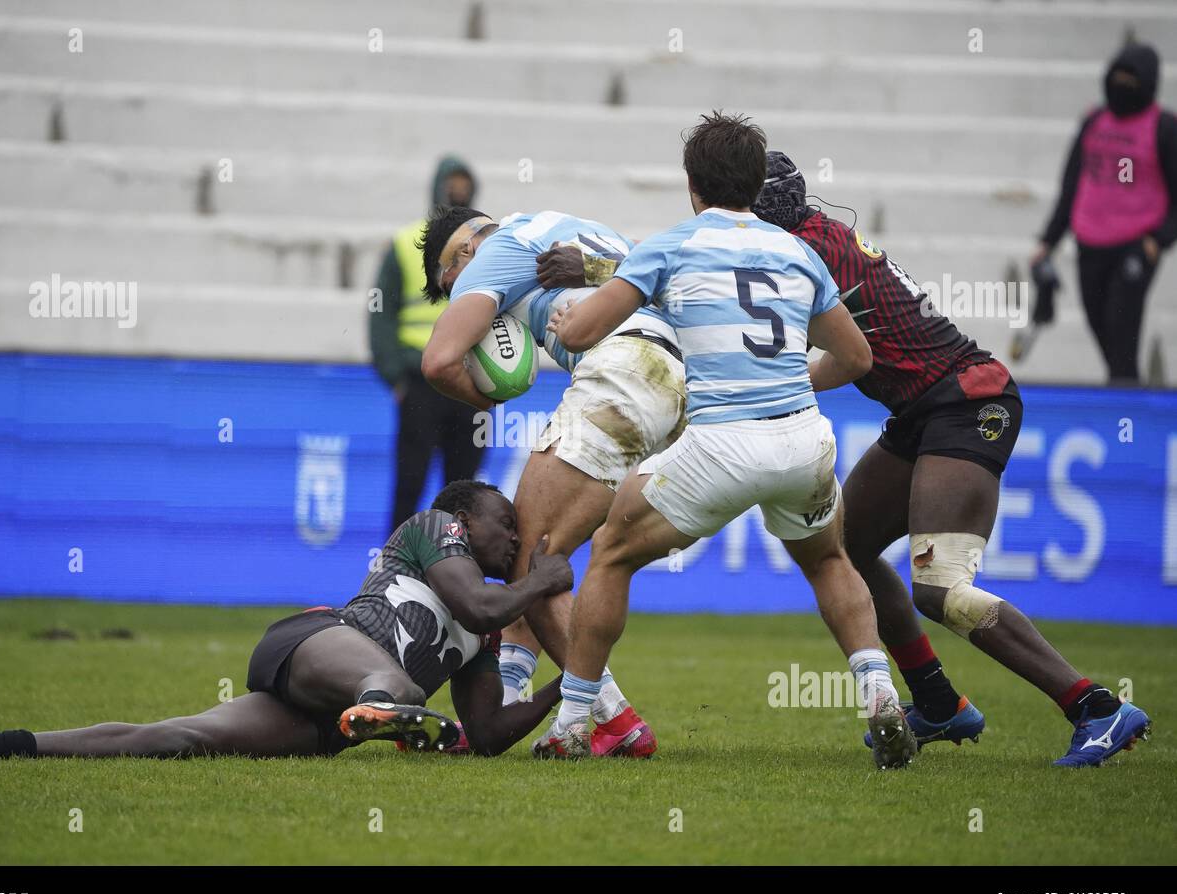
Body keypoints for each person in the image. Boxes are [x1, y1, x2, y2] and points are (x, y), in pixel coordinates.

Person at [745, 149, 1152, 767]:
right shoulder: (814, 238)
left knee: (939, 587)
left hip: (966, 401)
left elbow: (822, 353)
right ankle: (937, 702)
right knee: (842, 548)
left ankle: (1095, 706)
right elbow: (852, 352)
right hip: (924, 408)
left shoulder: (801, 257)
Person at [540, 112, 917, 770]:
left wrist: (573, 314)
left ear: (693, 185)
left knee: (610, 553)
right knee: (830, 562)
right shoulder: (797, 252)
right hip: (802, 439)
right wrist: (792, 381)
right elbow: (857, 358)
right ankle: (881, 693)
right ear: (755, 182)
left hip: (719, 443)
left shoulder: (672, 245)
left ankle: (573, 723)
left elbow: (576, 336)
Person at [0, 481, 574, 761]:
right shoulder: (436, 527)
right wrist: (543, 580)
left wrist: (572, 687)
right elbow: (478, 604)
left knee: (176, 738)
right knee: (397, 686)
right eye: (505, 521)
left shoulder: (487, 632)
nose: (514, 535)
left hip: (322, 721)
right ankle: (385, 709)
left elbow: (487, 732)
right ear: (464, 516)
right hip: (316, 645)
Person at [418, 204, 685, 757]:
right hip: (679, 386)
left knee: (528, 559)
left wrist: (488, 395)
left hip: (623, 373)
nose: (458, 297)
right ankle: (504, 703)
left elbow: (439, 361)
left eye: (451, 286)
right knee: (546, 552)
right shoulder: (575, 229)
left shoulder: (494, 253)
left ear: (463, 252)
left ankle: (614, 719)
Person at [1034, 42, 1177, 384]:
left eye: (1132, 80)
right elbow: (1071, 184)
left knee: (1121, 328)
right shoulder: (1094, 121)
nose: (1122, 86)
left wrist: (1159, 240)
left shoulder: (1166, 128)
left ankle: (1126, 409)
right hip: (1089, 243)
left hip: (1135, 246)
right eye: (1118, 77)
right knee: (1101, 327)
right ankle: (1125, 391)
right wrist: (1048, 241)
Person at [371, 156, 487, 531]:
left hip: (470, 381)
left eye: (463, 185)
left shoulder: (486, 246)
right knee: (410, 484)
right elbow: (380, 314)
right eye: (452, 185)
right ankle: (393, 572)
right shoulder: (406, 243)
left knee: (464, 491)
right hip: (421, 380)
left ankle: (457, 575)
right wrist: (396, 377)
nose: (457, 193)